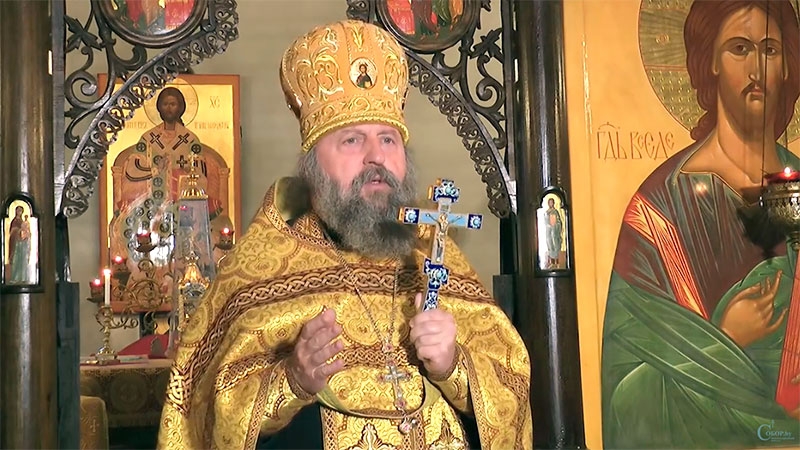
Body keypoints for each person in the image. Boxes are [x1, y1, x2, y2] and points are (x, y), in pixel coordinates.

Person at [157, 20, 531, 450]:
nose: (376, 157)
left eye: (388, 140)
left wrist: (454, 365)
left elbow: (512, 383)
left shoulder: (433, 258)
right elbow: (202, 410)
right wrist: (292, 380)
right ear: (313, 165)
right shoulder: (260, 265)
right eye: (352, 140)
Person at [602, 1, 800, 448]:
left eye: (769, 50)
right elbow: (623, 391)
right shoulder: (659, 210)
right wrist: (726, 339)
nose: (756, 69)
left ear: (788, 64)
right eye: (739, 48)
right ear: (709, 60)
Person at [544, 198, 562, 269]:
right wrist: (549, 225)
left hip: (554, 232)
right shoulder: (546, 212)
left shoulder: (555, 212)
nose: (550, 204)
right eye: (549, 202)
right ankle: (552, 262)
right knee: (550, 246)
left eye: (552, 202)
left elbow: (558, 221)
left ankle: (557, 263)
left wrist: (556, 225)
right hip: (549, 232)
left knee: (555, 246)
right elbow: (545, 222)